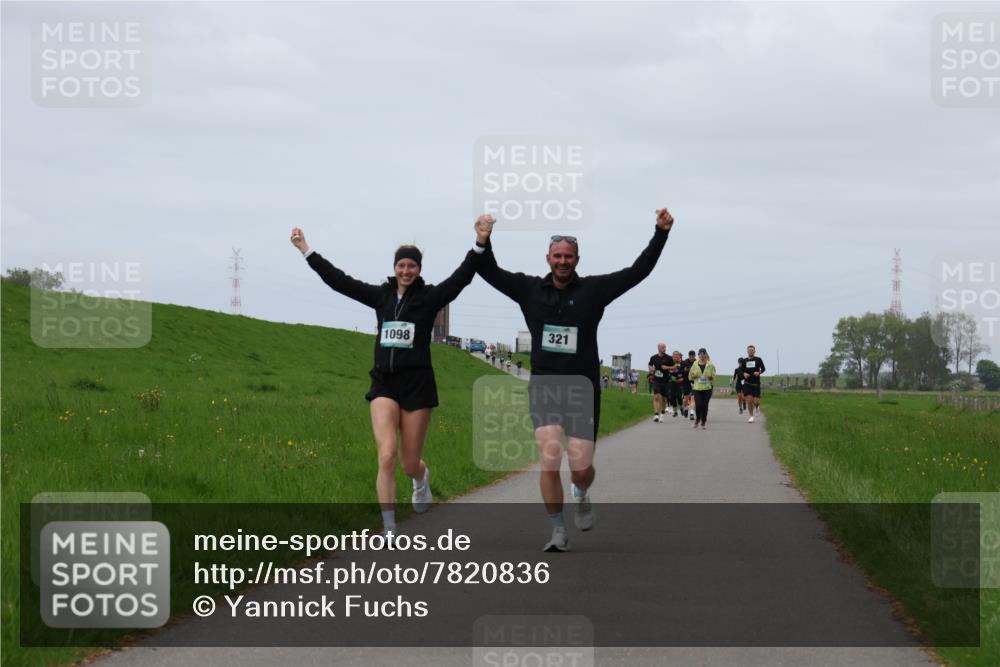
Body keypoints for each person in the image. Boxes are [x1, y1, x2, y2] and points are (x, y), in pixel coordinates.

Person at [477, 207, 675, 552]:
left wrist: (661, 233)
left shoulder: (594, 291)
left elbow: (637, 271)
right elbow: (488, 271)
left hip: (582, 389)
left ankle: (581, 492)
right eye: (557, 256)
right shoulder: (528, 289)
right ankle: (557, 530)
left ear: (577, 259)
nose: (563, 261)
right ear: (548, 258)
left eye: (568, 256)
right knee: (549, 457)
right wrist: (483, 240)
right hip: (545, 386)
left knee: (581, 468)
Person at [290, 222, 488, 544]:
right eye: (401, 265)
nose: (406, 271)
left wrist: (480, 242)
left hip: (417, 386)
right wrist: (305, 249)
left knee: (408, 463)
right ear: (394, 268)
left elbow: (462, 277)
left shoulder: (429, 298)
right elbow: (339, 281)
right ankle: (390, 527)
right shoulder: (381, 296)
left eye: (412, 266)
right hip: (384, 383)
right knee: (386, 455)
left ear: (419, 269)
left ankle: (420, 479)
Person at [688, 348, 716, 430]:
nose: (702, 356)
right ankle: (697, 420)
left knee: (704, 406)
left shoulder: (710, 365)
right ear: (698, 355)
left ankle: (703, 422)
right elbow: (690, 376)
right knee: (698, 405)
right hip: (697, 388)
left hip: (707, 388)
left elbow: (714, 377)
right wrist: (694, 376)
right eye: (701, 354)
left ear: (706, 355)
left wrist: (710, 377)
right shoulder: (695, 364)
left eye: (704, 354)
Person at [648, 343, 673, 422]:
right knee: (656, 397)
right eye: (662, 347)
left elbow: (674, 367)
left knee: (664, 399)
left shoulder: (669, 358)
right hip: (656, 380)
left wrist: (667, 367)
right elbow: (650, 365)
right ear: (658, 348)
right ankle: (656, 414)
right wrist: (651, 368)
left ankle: (662, 413)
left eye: (665, 347)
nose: (664, 349)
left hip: (665, 381)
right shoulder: (653, 357)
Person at [741, 345, 766, 423]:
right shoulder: (744, 361)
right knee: (749, 401)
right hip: (747, 384)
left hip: (756, 384)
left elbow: (763, 369)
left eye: (752, 350)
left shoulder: (758, 359)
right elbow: (741, 371)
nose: (750, 351)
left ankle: (757, 407)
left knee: (756, 402)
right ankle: (751, 416)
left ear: (754, 351)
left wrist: (759, 372)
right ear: (747, 351)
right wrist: (744, 374)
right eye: (749, 350)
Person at [667, 350, 685, 417]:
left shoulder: (682, 363)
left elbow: (685, 373)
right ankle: (675, 411)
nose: (675, 357)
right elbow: (667, 372)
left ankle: (681, 408)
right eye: (674, 355)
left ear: (679, 356)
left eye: (677, 355)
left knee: (679, 396)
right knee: (672, 397)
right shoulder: (669, 363)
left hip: (680, 382)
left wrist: (682, 379)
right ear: (672, 356)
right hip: (672, 382)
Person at [680, 350, 696, 419]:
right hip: (686, 382)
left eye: (693, 356)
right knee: (685, 399)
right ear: (688, 356)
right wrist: (684, 370)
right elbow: (680, 371)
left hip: (694, 382)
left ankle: (692, 413)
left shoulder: (696, 362)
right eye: (690, 356)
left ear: (695, 356)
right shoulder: (684, 362)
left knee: (693, 397)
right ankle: (686, 408)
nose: (692, 357)